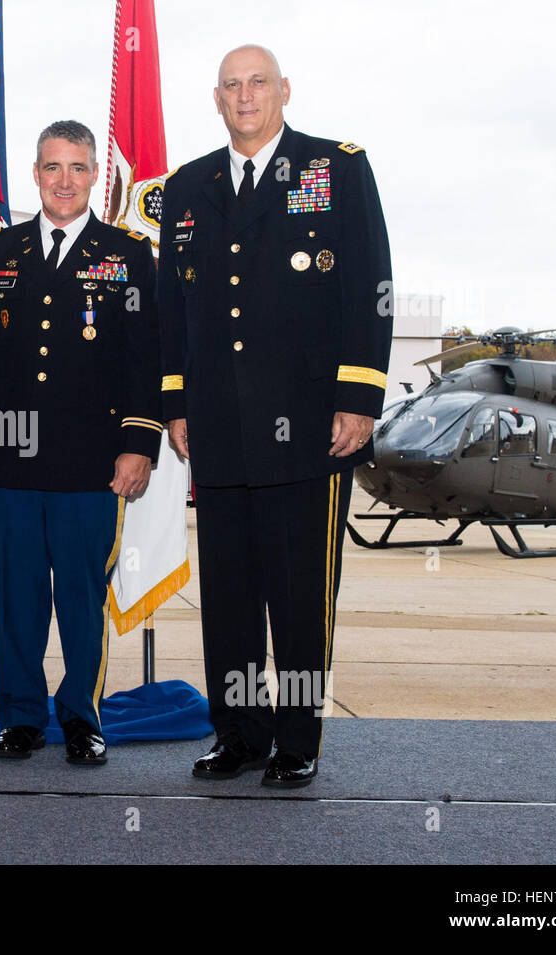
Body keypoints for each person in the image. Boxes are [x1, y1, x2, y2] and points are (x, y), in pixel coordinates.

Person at [158, 46, 392, 787]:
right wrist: (175, 404)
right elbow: (174, 306)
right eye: (232, 85)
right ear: (217, 100)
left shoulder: (336, 170)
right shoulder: (187, 187)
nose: (246, 95)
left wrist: (358, 396)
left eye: (258, 82)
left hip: (310, 428)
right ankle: (238, 734)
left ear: (284, 90)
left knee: (297, 597)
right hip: (220, 429)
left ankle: (297, 739)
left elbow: (370, 284)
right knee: (228, 598)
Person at [0, 120, 162, 766]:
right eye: (54, 167)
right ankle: (20, 716)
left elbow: (144, 359)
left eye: (78, 168)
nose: (66, 181)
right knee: (16, 597)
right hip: (12, 461)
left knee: (81, 598)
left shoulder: (126, 253)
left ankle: (81, 715)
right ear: (36, 172)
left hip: (90, 462)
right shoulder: (2, 250)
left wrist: (139, 444)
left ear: (95, 175)